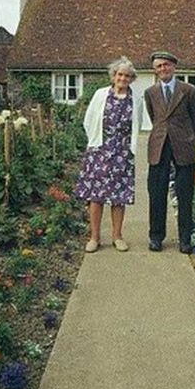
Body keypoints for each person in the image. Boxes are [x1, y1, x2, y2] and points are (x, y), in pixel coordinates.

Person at [74, 56, 144, 253]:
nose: (123, 78)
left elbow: (137, 124)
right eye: (120, 74)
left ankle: (117, 237)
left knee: (119, 197)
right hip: (99, 151)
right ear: (113, 75)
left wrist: (128, 148)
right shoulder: (100, 94)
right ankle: (94, 238)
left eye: (127, 76)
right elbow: (88, 120)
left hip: (123, 153)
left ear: (131, 79)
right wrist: (95, 143)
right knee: (96, 197)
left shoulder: (136, 99)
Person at [144, 51, 195, 253]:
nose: (163, 69)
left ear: (174, 67)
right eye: (159, 66)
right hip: (159, 146)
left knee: (185, 194)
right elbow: (155, 118)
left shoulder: (189, 91)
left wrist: (188, 137)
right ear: (155, 70)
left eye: (166, 65)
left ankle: (185, 239)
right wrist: (163, 133)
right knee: (156, 193)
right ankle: (156, 237)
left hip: (183, 146)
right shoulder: (150, 93)